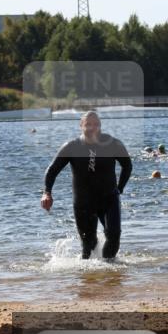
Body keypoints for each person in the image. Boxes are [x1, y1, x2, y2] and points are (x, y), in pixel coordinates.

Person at [41, 111, 132, 260]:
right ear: (81, 126)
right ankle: (91, 269)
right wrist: (47, 193)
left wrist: (119, 188)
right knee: (88, 245)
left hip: (109, 198)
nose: (92, 127)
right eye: (88, 124)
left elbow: (127, 166)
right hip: (83, 202)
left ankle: (109, 268)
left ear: (100, 126)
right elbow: (52, 170)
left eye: (95, 124)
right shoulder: (71, 147)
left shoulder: (113, 144)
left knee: (114, 236)